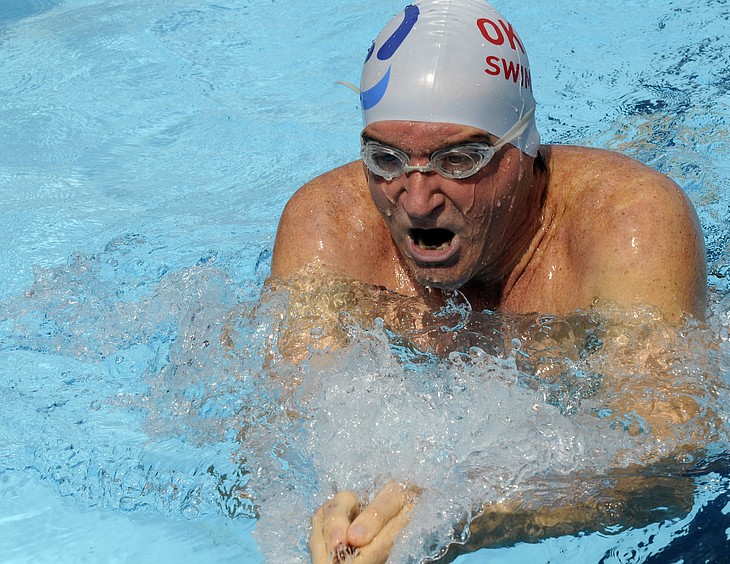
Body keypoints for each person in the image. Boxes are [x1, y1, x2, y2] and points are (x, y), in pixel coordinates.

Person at [267, 0, 707, 561]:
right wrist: (330, 511)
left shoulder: (632, 224)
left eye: (459, 160)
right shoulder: (327, 227)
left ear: (521, 149)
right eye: (386, 158)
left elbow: (667, 469)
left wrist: (469, 517)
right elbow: (282, 433)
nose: (418, 200)